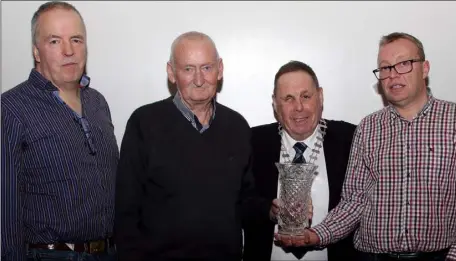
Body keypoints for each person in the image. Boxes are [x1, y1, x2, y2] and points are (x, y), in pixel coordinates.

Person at [275, 32, 456, 261]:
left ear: (425, 68)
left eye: (404, 64)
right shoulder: (368, 128)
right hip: (372, 256)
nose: (393, 75)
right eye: (385, 68)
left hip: (440, 256)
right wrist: (316, 235)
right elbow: (355, 200)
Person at [114, 31, 268, 261]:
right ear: (171, 72)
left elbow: (246, 202)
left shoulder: (237, 126)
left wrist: (273, 210)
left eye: (206, 68)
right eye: (188, 69)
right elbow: (126, 211)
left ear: (220, 69)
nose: (199, 79)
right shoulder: (144, 123)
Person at [1, 2, 119, 261]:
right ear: (37, 51)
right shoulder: (10, 108)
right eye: (54, 41)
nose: (69, 51)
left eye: (76, 39)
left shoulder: (98, 102)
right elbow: (5, 211)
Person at [243, 60, 359, 261]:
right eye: (288, 98)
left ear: (320, 96)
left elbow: (362, 205)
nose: (299, 107)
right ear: (275, 103)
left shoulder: (352, 139)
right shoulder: (251, 142)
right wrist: (269, 211)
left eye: (306, 96)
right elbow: (238, 203)